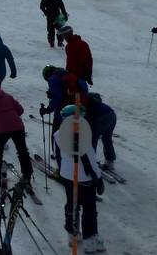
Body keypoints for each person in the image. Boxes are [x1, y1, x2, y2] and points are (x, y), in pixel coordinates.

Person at [53, 105, 106, 253]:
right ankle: (90, 240)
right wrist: (98, 178)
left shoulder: (58, 134)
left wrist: (64, 171)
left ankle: (72, 234)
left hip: (67, 176)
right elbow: (90, 159)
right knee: (89, 208)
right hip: (84, 177)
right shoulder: (82, 134)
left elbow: (57, 155)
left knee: (72, 204)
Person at [40, 65, 89, 134]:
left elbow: (57, 98)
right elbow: (84, 88)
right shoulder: (69, 74)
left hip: (62, 114)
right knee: (73, 137)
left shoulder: (53, 79)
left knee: (57, 137)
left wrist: (48, 109)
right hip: (78, 111)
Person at [86, 92, 118, 168]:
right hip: (112, 115)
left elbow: (88, 119)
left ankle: (91, 161)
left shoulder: (89, 106)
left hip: (102, 118)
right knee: (107, 138)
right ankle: (110, 160)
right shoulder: (99, 105)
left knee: (92, 138)